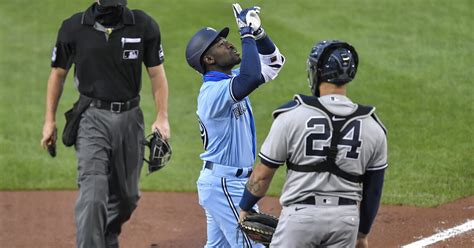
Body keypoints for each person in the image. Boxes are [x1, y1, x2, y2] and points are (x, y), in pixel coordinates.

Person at [40, 0, 170, 247]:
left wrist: (162, 117)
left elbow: (156, 73)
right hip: (91, 118)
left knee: (127, 198)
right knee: (93, 194)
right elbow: (57, 74)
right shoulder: (73, 28)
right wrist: (49, 121)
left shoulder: (143, 25)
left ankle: (106, 236)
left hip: (131, 119)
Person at [238, 40, 388, 248]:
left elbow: (262, 174)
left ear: (317, 71)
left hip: (301, 219)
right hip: (345, 221)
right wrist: (362, 234)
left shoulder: (291, 116)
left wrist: (245, 207)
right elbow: (373, 191)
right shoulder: (373, 127)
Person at [185, 3, 285, 248]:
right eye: (220, 44)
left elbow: (274, 64)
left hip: (226, 182)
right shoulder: (214, 92)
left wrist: (258, 33)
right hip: (225, 184)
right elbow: (250, 78)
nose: (229, 44)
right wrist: (245, 33)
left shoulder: (230, 82)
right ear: (208, 59)